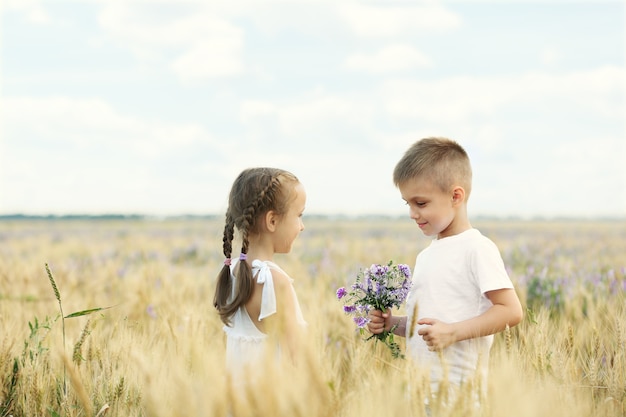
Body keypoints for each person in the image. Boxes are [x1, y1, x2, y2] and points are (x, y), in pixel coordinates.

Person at [367, 137, 523, 407]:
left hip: (459, 398)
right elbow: (427, 326)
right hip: (420, 394)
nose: (413, 214)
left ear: (455, 196)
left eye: (421, 203)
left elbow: (511, 311)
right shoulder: (427, 255)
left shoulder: (477, 248)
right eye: (408, 204)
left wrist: (453, 332)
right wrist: (393, 324)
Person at [213, 167, 307, 386]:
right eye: (299, 215)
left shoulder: (234, 272)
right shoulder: (274, 281)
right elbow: (298, 359)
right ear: (272, 221)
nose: (302, 226)